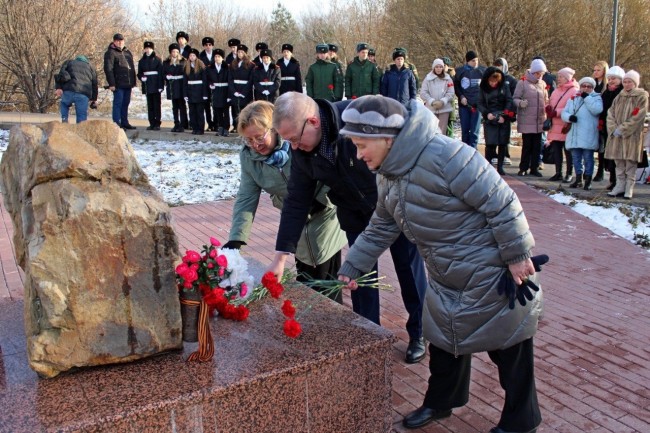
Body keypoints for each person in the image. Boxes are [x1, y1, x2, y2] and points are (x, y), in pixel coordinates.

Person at [335, 95, 544, 433]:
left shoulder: (447, 155)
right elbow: (382, 226)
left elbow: (501, 202)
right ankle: (441, 403)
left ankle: (522, 421)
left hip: (489, 272)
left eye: (362, 145)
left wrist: (518, 256)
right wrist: (353, 267)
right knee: (445, 342)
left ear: (385, 138)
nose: (358, 154)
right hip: (446, 275)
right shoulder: (388, 172)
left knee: (510, 349)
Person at [267, 91, 429, 364]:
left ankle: (420, 332)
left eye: (294, 138)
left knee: (409, 270)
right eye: (287, 141)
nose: (292, 147)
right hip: (354, 214)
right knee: (361, 278)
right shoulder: (302, 152)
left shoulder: (357, 118)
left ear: (313, 122)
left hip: (393, 208)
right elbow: (296, 200)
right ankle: (370, 338)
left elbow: (402, 151)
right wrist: (281, 255)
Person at [223, 101, 347, 300]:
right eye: (249, 140)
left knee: (324, 273)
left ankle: (332, 312)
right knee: (305, 273)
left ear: (274, 128)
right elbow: (246, 197)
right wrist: (236, 239)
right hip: (293, 216)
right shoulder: (249, 158)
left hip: (323, 212)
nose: (255, 144)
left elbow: (327, 169)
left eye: (259, 136)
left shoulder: (296, 141)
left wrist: (322, 199)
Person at [605, 70, 649, 199]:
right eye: (625, 81)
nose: (626, 84)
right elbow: (610, 113)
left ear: (635, 83)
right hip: (617, 136)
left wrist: (623, 129)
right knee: (619, 162)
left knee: (630, 163)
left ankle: (629, 187)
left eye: (629, 82)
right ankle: (619, 185)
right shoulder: (620, 96)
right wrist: (613, 128)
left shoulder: (641, 96)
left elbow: (638, 117)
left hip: (632, 136)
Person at [561, 77, 603, 190]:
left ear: (592, 88)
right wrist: (569, 117)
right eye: (583, 86)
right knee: (576, 158)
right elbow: (564, 112)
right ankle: (578, 178)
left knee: (588, 158)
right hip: (574, 133)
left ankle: (588, 180)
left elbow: (597, 110)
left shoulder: (596, 98)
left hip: (588, 133)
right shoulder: (573, 98)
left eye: (588, 86)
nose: (585, 88)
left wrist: (587, 98)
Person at [514, 58, 549, 177]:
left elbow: (546, 100)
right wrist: (520, 103)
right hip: (527, 120)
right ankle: (523, 167)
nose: (539, 76)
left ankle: (534, 168)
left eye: (542, 73)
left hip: (539, 120)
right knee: (527, 146)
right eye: (538, 73)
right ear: (533, 72)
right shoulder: (522, 83)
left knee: (537, 146)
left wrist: (548, 108)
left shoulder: (543, 84)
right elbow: (515, 98)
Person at [477, 66, 514, 175]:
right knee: (490, 144)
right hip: (489, 116)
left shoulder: (504, 87)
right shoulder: (483, 88)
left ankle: (500, 167)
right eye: (491, 81)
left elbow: (509, 100)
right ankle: (488, 166)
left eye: (495, 81)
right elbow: (480, 103)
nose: (493, 84)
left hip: (503, 116)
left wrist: (505, 115)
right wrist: (486, 113)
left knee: (503, 143)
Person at [545, 67, 579, 182]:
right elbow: (550, 102)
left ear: (567, 78)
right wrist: (548, 108)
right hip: (555, 125)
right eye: (558, 76)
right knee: (556, 150)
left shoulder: (574, 91)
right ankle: (558, 172)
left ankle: (569, 173)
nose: (558, 79)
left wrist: (557, 112)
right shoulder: (556, 90)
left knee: (568, 151)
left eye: (561, 77)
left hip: (566, 125)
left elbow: (572, 108)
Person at [598, 66, 625, 189]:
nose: (611, 81)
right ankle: (612, 180)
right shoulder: (606, 91)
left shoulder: (622, 92)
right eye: (609, 78)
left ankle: (618, 182)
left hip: (617, 127)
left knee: (617, 156)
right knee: (609, 154)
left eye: (613, 78)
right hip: (606, 126)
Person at [103, 33, 137, 130]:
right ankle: (117, 124)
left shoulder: (127, 52)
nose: (120, 42)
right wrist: (112, 83)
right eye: (118, 41)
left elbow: (132, 68)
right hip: (118, 84)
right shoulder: (111, 53)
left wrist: (133, 82)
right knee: (118, 103)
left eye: (121, 41)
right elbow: (108, 69)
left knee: (125, 103)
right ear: (114, 41)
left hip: (128, 83)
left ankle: (124, 122)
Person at [454, 50, 486, 148]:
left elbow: (486, 87)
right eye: (472, 60)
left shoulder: (483, 71)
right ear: (467, 61)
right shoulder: (460, 71)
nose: (475, 62)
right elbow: (456, 86)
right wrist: (461, 96)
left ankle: (473, 151)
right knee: (465, 130)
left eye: (476, 60)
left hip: (477, 106)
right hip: (464, 105)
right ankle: (465, 151)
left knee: (474, 131)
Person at [54, 54, 98, 124]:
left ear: (76, 59)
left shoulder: (68, 62)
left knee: (64, 103)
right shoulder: (91, 67)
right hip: (83, 93)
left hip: (68, 90)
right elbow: (94, 84)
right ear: (86, 61)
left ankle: (64, 119)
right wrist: (94, 99)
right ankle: (80, 128)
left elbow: (60, 75)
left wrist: (59, 88)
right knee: (81, 116)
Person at [420, 58, 454, 135]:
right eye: (437, 67)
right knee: (431, 131)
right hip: (431, 109)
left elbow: (451, 93)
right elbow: (423, 93)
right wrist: (432, 101)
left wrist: (443, 101)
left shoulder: (448, 79)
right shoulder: (428, 78)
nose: (438, 69)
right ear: (434, 68)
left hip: (444, 109)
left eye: (440, 67)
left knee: (442, 132)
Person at [493, 57, 518, 166]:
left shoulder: (511, 80)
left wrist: (512, 112)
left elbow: (514, 96)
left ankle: (505, 155)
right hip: (494, 110)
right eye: (496, 66)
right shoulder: (491, 79)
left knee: (504, 134)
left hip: (506, 111)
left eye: (500, 66)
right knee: (493, 133)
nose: (498, 68)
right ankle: (494, 155)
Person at [137, 41, 164, 131]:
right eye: (146, 48)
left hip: (156, 84)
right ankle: (151, 122)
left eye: (149, 48)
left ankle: (157, 123)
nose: (148, 50)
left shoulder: (157, 59)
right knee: (150, 105)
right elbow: (139, 73)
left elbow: (161, 74)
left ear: (152, 49)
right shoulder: (141, 61)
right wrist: (142, 77)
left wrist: (161, 86)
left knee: (157, 104)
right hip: (147, 84)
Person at [163, 43, 188, 133]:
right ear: (170, 52)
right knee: (174, 107)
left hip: (180, 85)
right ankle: (176, 123)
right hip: (172, 86)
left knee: (182, 106)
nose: (175, 53)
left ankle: (183, 124)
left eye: (177, 51)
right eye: (173, 51)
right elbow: (163, 73)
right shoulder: (166, 62)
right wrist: (166, 77)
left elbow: (186, 74)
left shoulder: (183, 61)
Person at [183, 48, 208, 135]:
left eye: (193, 55)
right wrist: (185, 93)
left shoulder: (201, 66)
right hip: (190, 91)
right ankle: (194, 128)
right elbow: (185, 81)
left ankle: (200, 129)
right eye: (190, 55)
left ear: (196, 56)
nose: (192, 57)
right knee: (192, 111)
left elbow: (205, 81)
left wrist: (205, 94)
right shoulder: (187, 67)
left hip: (199, 91)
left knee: (199, 111)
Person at [228, 44, 255, 126]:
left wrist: (244, 92)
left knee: (246, 111)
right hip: (235, 89)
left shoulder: (251, 65)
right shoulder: (233, 64)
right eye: (238, 52)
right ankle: (237, 128)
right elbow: (230, 79)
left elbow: (251, 80)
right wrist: (233, 91)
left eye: (242, 52)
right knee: (236, 111)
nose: (240, 54)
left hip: (245, 91)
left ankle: (246, 128)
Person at [206, 48, 230, 136]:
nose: (217, 58)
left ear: (222, 58)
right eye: (215, 56)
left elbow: (230, 80)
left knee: (225, 111)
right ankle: (220, 127)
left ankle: (226, 128)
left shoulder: (227, 67)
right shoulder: (210, 68)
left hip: (225, 90)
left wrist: (229, 94)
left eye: (219, 57)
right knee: (217, 110)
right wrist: (210, 84)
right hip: (215, 91)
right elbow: (207, 79)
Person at [199, 37, 216, 132]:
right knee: (206, 106)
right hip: (205, 83)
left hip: (215, 82)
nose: (208, 47)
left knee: (216, 105)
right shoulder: (201, 56)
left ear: (212, 45)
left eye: (210, 45)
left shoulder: (217, 54)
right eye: (206, 45)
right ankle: (210, 123)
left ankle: (216, 123)